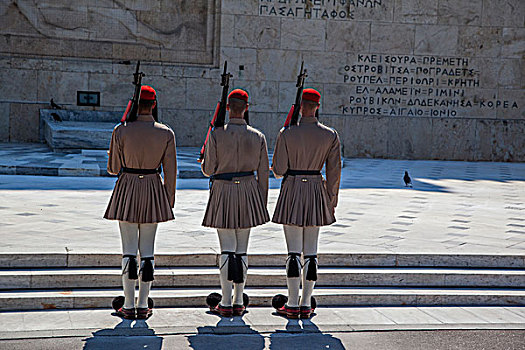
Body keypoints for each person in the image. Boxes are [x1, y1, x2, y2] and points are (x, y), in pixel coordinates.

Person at [104, 85, 177, 319]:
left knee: (128, 252)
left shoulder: (121, 130)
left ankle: (127, 305)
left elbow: (113, 168)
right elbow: (171, 172)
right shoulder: (166, 133)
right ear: (154, 104)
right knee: (147, 253)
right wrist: (169, 200)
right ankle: (143, 305)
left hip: (127, 187)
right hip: (153, 189)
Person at [272, 88, 341, 319]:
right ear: (318, 106)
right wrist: (332, 199)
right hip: (315, 190)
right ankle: (305, 304)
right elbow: (334, 171)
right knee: (311, 253)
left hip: (292, 189)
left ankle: (291, 304)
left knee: (293, 253)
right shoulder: (330, 135)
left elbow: (278, 171)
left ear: (300, 106)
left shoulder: (286, 133)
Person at [201, 89, 270, 317]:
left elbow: (209, 170)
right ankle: (239, 299)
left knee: (226, 250)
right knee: (242, 250)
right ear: (247, 107)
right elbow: (263, 175)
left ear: (228, 108)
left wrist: (204, 163)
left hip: (223, 190)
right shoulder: (258, 136)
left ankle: (227, 301)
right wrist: (260, 202)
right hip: (249, 191)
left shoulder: (216, 134)